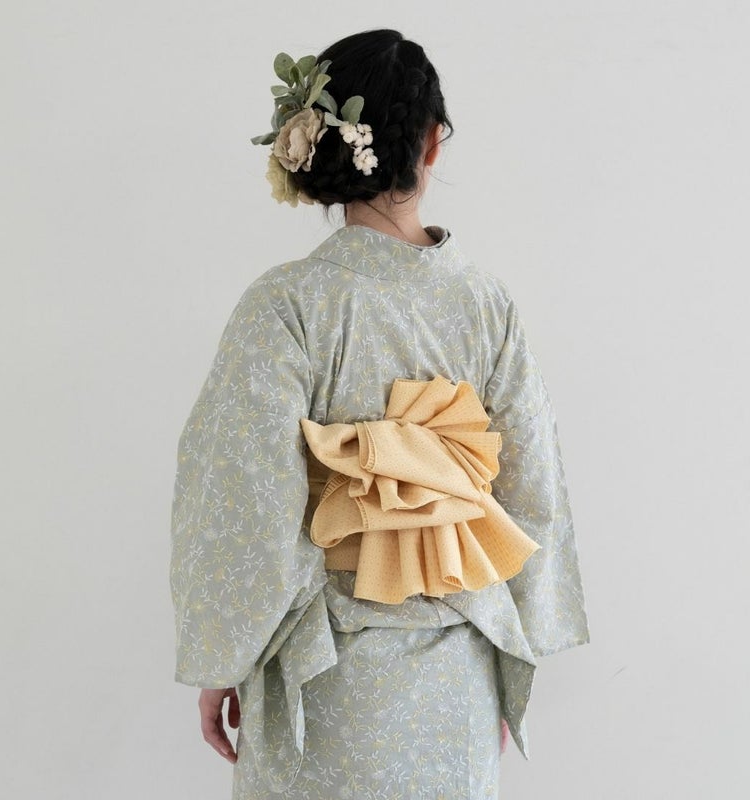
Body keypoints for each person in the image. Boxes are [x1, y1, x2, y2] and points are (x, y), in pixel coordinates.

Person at [170, 29, 589, 800]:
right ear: (431, 144)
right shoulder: (486, 304)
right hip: (461, 674)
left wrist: (225, 658)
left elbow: (244, 497)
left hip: (327, 672)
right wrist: (514, 647)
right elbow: (532, 490)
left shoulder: (287, 305)